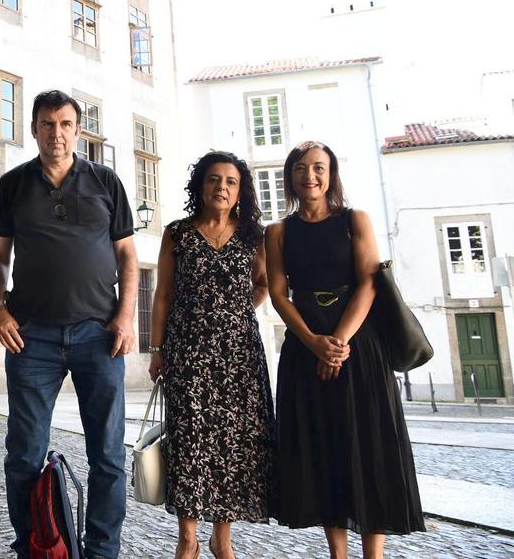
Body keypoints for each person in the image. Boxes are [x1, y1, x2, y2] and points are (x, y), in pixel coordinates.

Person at [0, 89, 138, 558]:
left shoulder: (106, 182)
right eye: (48, 124)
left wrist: (127, 316)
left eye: (66, 124)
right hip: (31, 337)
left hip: (100, 334)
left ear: (78, 130)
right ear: (34, 129)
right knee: (24, 456)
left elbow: (128, 256)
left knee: (109, 456)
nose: (57, 133)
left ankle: (101, 552)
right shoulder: (13, 184)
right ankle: (35, 547)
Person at [266, 141, 424, 559]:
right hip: (304, 348)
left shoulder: (355, 220)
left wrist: (337, 344)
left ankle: (374, 554)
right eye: (300, 169)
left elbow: (370, 281)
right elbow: (280, 294)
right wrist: (314, 343)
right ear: (290, 177)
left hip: (359, 347)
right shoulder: (277, 231)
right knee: (323, 447)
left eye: (319, 167)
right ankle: (339, 554)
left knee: (370, 444)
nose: (310, 176)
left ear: (332, 173)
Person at [147, 151, 274, 559]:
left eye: (231, 182)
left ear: (240, 191)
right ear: (200, 187)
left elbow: (264, 284)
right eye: (214, 180)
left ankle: (223, 537)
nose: (222, 187)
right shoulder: (178, 234)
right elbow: (163, 294)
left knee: (233, 443)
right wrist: (158, 349)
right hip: (187, 352)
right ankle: (188, 537)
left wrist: (233, 313)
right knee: (188, 440)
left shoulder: (254, 237)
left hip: (239, 356)